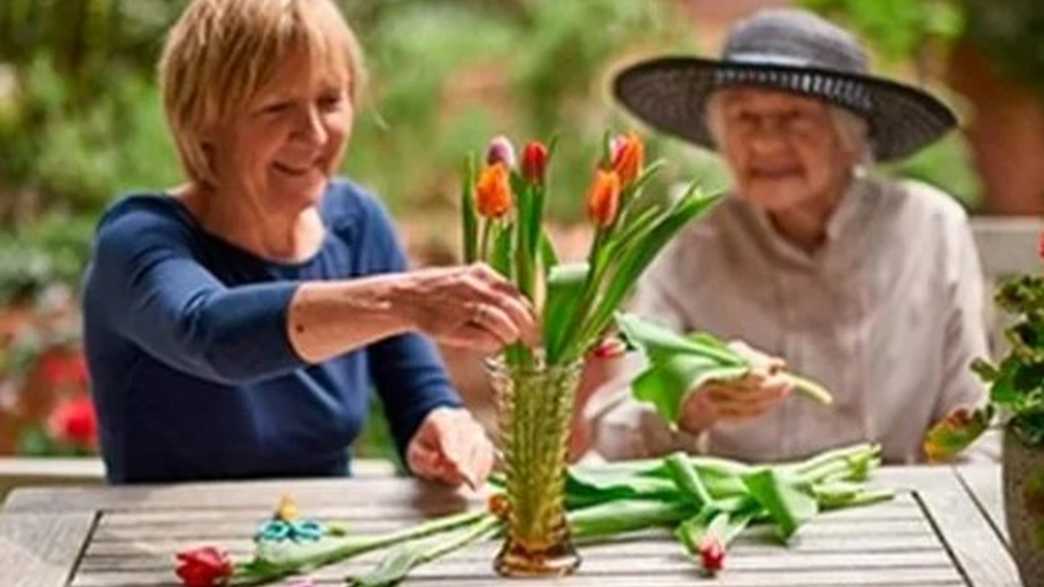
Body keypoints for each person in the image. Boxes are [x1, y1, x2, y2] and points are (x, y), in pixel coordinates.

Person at [81, 0, 537, 484]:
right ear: (206, 123)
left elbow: (418, 395)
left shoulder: (358, 224)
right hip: (164, 553)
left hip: (320, 542)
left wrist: (441, 430)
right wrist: (404, 300)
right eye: (277, 108)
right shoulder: (136, 240)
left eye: (330, 101)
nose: (315, 133)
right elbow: (208, 332)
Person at [576, 8, 987, 464]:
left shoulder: (929, 228)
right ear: (720, 134)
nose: (766, 143)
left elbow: (974, 425)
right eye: (745, 118)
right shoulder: (687, 242)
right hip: (736, 521)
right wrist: (690, 403)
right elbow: (613, 428)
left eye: (794, 117)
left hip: (894, 508)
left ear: (848, 137)